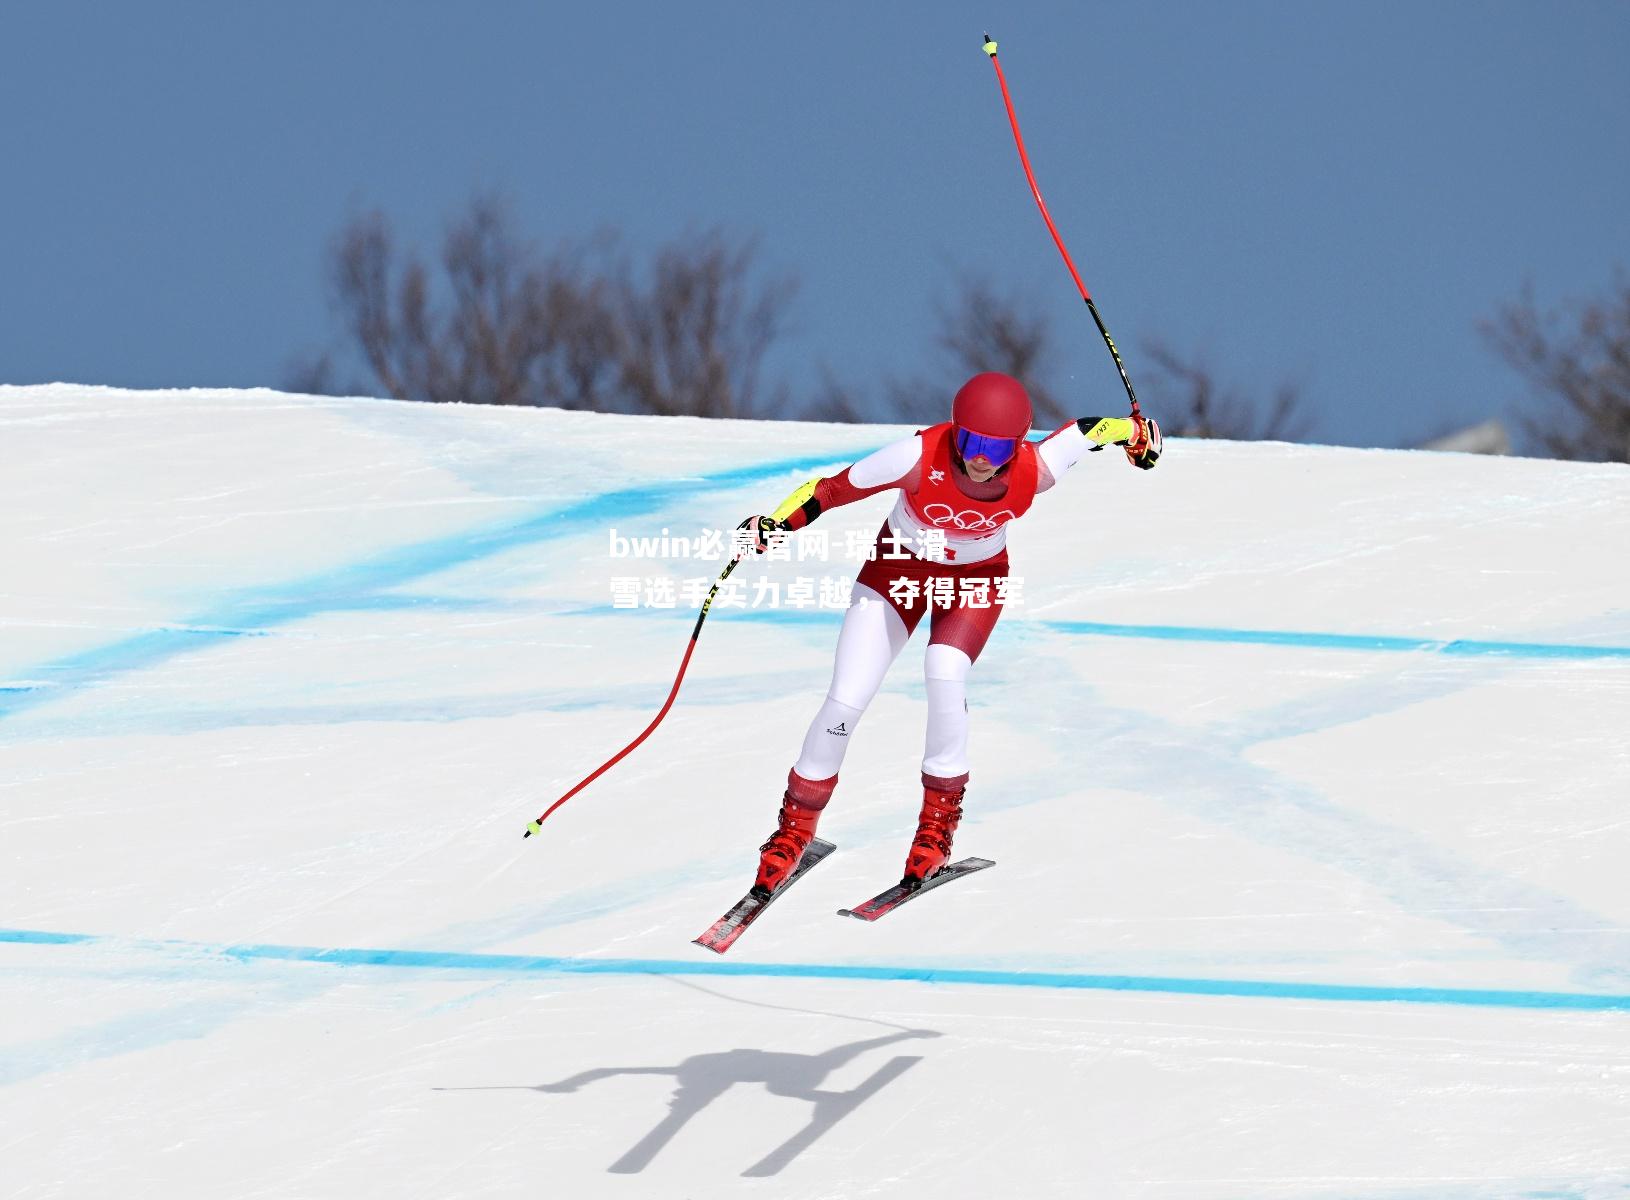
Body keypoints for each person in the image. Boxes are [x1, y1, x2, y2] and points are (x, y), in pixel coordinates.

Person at [740, 371, 1160, 897]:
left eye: (995, 447)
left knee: (945, 673)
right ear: (954, 430)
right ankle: (793, 831)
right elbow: (829, 490)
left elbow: (1089, 431)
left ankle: (936, 826)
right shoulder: (915, 455)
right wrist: (776, 525)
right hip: (898, 572)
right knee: (846, 698)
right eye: (969, 441)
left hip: (976, 582)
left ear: (1017, 444)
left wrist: (1138, 434)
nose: (981, 458)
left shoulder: (1036, 468)